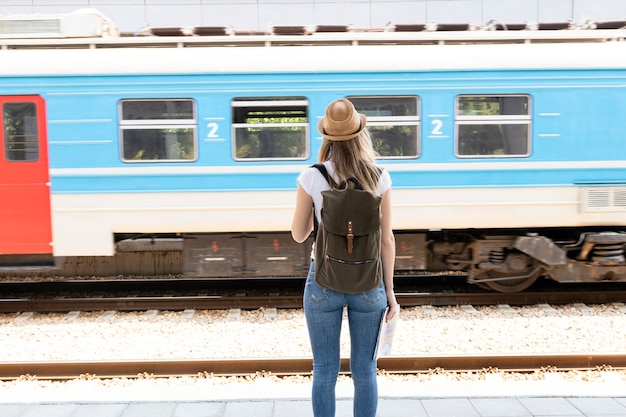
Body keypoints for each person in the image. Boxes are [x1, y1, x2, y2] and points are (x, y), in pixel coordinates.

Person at [291, 98, 398, 417]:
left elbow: (298, 234)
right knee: (365, 370)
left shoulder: (311, 176)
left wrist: (317, 214)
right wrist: (389, 292)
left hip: (322, 281)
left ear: (327, 137)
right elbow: (387, 239)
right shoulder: (379, 176)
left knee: (324, 369)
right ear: (359, 134)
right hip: (369, 282)